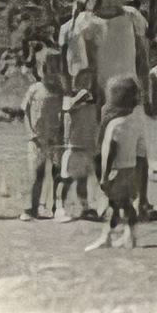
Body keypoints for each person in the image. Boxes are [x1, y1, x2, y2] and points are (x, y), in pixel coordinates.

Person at [66, 0, 157, 220]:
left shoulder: (131, 17)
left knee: (139, 150)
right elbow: (85, 64)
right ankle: (110, 199)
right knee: (107, 149)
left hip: (133, 93)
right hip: (106, 97)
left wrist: (147, 89)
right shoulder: (89, 24)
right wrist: (93, 96)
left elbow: (142, 57)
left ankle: (143, 201)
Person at [86, 76, 150, 250]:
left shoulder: (114, 125)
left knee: (111, 206)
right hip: (132, 171)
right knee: (127, 205)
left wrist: (104, 176)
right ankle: (131, 237)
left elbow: (109, 153)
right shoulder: (137, 123)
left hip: (117, 172)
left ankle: (106, 237)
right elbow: (141, 155)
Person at [21, 46, 66, 220]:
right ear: (40, 69)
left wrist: (62, 132)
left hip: (55, 139)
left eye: (56, 70)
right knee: (36, 174)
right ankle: (30, 208)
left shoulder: (61, 91)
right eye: (48, 69)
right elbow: (25, 112)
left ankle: (56, 207)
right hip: (37, 140)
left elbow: (64, 113)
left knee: (57, 174)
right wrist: (31, 133)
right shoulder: (34, 89)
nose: (51, 74)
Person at [57, 74, 97, 222]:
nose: (87, 85)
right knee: (66, 180)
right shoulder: (70, 101)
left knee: (83, 180)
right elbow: (67, 108)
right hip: (73, 148)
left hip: (86, 148)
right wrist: (80, 95)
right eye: (84, 81)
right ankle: (60, 208)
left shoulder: (91, 103)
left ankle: (85, 208)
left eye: (89, 81)